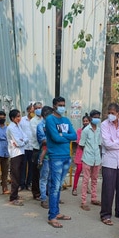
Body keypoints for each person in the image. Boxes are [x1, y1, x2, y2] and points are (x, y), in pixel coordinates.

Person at [45, 96, 76, 227]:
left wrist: (63, 135)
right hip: (55, 157)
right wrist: (65, 136)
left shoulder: (66, 120)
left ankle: (56, 212)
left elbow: (74, 136)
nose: (62, 107)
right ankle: (52, 216)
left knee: (58, 187)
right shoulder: (50, 120)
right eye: (59, 105)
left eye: (63, 104)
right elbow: (55, 138)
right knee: (55, 187)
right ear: (54, 106)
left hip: (66, 156)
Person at [99, 102, 119, 226]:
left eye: (113, 113)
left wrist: (117, 142)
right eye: (109, 113)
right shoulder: (104, 125)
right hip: (109, 161)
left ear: (118, 114)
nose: (110, 115)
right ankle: (105, 214)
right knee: (108, 189)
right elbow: (107, 143)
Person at [78, 110, 102, 211]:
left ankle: (94, 198)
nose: (97, 119)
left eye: (98, 117)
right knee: (85, 180)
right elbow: (81, 144)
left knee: (95, 179)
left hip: (97, 159)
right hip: (87, 158)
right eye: (95, 117)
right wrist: (88, 152)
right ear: (91, 118)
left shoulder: (99, 130)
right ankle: (84, 201)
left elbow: (99, 144)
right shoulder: (86, 130)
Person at [6, 109, 29, 206]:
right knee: (15, 176)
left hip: (21, 152)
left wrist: (22, 141)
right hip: (15, 154)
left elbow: (26, 137)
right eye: (17, 116)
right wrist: (22, 142)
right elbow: (19, 142)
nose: (19, 118)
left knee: (19, 175)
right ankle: (13, 198)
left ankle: (15, 195)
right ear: (12, 118)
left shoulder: (18, 126)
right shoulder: (11, 128)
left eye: (20, 116)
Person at [36, 106, 54, 209]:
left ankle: (52, 197)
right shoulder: (40, 126)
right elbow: (43, 140)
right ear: (44, 116)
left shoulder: (54, 124)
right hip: (45, 156)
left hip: (54, 155)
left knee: (52, 178)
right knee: (44, 178)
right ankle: (43, 198)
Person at [72, 114, 90, 196]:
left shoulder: (91, 131)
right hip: (80, 153)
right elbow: (79, 141)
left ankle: (86, 187)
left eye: (87, 121)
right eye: (84, 121)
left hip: (88, 154)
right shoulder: (79, 131)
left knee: (87, 172)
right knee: (78, 170)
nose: (85, 122)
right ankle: (74, 188)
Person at [29, 102, 44, 201]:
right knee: (36, 172)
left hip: (46, 149)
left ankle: (44, 192)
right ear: (34, 109)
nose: (39, 109)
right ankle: (36, 193)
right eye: (37, 108)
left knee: (45, 172)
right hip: (37, 149)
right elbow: (37, 134)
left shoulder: (45, 119)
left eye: (40, 107)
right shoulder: (33, 121)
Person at [19, 104, 35, 191]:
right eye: (32, 111)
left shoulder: (37, 121)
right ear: (28, 111)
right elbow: (19, 131)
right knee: (23, 166)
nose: (33, 112)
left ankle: (29, 183)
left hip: (33, 147)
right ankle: (22, 184)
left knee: (32, 166)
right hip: (24, 147)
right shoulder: (22, 120)